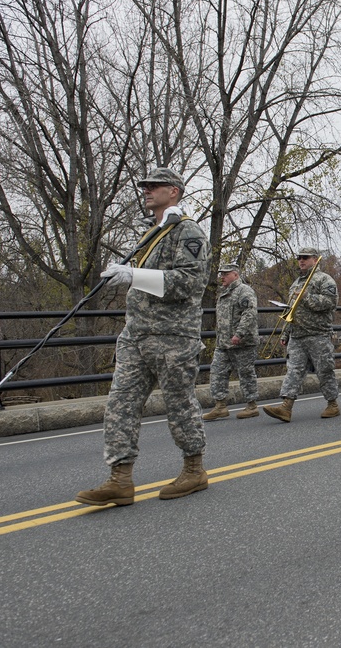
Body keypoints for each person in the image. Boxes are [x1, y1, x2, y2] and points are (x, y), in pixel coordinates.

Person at [76, 167, 210, 506]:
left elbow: (189, 283)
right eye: (145, 186)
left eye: (155, 186)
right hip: (136, 335)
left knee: (179, 404)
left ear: (175, 191)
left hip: (172, 338)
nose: (147, 190)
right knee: (120, 405)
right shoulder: (154, 233)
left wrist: (133, 274)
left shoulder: (188, 231)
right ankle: (120, 479)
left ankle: (194, 470)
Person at [263, 248, 340, 422]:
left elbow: (329, 303)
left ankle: (332, 404)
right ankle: (286, 407)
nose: (301, 261)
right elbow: (291, 310)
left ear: (314, 259)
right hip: (297, 334)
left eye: (305, 258)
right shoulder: (296, 282)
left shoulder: (325, 280)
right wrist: (285, 333)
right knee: (293, 370)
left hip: (318, 334)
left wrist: (306, 296)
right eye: (299, 258)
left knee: (324, 370)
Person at [203, 264, 260, 421]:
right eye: (221, 274)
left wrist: (239, 334)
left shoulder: (244, 291)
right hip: (223, 344)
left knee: (246, 373)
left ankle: (252, 406)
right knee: (217, 372)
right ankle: (220, 406)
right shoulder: (224, 293)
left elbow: (249, 314)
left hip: (242, 343)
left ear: (235, 275)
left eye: (226, 274)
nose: (222, 276)